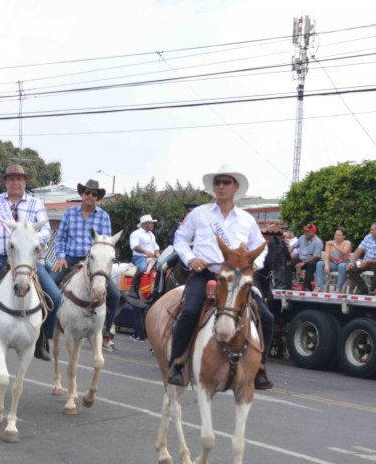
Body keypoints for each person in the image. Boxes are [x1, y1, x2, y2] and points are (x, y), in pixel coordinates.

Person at [166, 164, 273, 388]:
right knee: (190, 310)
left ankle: (261, 367)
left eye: (226, 182)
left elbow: (260, 248)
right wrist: (190, 259)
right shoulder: (199, 213)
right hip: (205, 274)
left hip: (236, 279)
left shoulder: (246, 219)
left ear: (235, 187)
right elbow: (180, 239)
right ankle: (177, 362)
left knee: (266, 316)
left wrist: (252, 265)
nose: (221, 186)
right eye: (217, 182)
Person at [0, 164, 61, 361]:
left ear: (25, 182)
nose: (16, 182)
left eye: (19, 179)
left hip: (27, 261)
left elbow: (47, 231)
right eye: (11, 179)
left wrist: (32, 242)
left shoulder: (35, 204)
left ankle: (42, 340)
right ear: (5, 182)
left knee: (56, 297)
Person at [50, 179, 120, 348]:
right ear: (81, 194)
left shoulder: (104, 216)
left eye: (94, 194)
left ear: (97, 197)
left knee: (116, 295)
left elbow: (106, 243)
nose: (90, 196)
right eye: (87, 193)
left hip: (94, 263)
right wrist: (61, 257)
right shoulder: (69, 213)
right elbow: (60, 238)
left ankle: (104, 331)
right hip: (71, 257)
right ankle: (46, 327)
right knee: (50, 285)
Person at [346, 222, 376, 295]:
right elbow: (359, 249)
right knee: (350, 269)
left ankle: (373, 290)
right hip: (365, 262)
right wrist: (353, 262)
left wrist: (367, 262)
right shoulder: (368, 237)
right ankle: (363, 289)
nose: (370, 232)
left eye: (372, 230)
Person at [128, 214, 160, 302]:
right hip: (139, 257)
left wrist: (157, 253)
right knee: (143, 268)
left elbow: (155, 246)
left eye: (152, 223)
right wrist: (146, 252)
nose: (152, 225)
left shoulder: (151, 234)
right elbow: (134, 246)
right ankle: (132, 289)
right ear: (144, 224)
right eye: (150, 223)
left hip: (151, 257)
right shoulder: (136, 234)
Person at [284, 224, 323, 290]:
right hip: (301, 259)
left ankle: (306, 287)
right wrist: (287, 254)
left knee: (312, 264)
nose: (305, 233)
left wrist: (303, 263)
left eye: (308, 231)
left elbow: (315, 257)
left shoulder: (318, 242)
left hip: (311, 260)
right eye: (305, 231)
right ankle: (287, 286)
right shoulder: (302, 237)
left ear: (313, 232)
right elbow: (293, 246)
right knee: (288, 263)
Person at [314, 227, 352, 292]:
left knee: (341, 266)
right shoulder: (329, 244)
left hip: (344, 263)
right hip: (334, 264)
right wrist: (326, 265)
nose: (336, 236)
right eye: (335, 234)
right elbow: (326, 255)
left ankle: (338, 289)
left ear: (344, 236)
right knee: (319, 263)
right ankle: (320, 287)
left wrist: (334, 245)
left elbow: (344, 252)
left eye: (339, 235)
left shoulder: (347, 243)